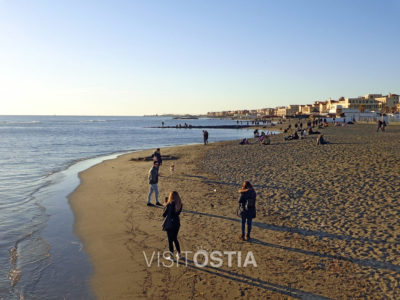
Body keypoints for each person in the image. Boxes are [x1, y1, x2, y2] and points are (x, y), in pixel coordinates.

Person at [162, 191, 182, 259]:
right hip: (177, 224)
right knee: (175, 239)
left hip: (170, 224)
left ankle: (171, 256)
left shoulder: (169, 204)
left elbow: (164, 215)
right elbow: (177, 213)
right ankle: (179, 254)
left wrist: (165, 205)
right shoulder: (179, 204)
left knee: (170, 240)